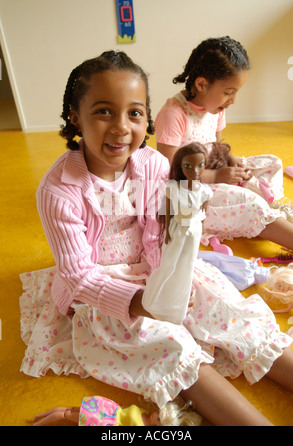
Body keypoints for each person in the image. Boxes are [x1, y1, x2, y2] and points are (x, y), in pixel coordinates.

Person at [19, 50, 293, 427]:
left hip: (156, 270)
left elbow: (157, 229)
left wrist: (179, 240)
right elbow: (79, 275)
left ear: (146, 117)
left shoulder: (152, 164)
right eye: (103, 111)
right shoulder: (58, 190)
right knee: (171, 347)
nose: (120, 127)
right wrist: (139, 302)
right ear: (74, 116)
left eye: (133, 113)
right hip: (104, 292)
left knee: (229, 310)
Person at [155, 36, 293, 250]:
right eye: (229, 93)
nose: (233, 101)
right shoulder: (174, 114)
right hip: (187, 191)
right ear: (201, 84)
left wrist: (230, 161)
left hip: (212, 172)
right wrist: (216, 176)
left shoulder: (216, 108)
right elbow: (170, 173)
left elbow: (216, 146)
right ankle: (265, 213)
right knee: (250, 203)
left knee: (271, 162)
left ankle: (269, 209)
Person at [142, 143, 213, 324]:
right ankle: (157, 296)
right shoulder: (173, 188)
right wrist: (166, 232)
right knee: (169, 263)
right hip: (177, 230)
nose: (195, 171)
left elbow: (204, 212)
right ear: (180, 167)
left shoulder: (205, 191)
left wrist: (202, 228)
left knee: (187, 265)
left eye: (200, 165)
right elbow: (167, 211)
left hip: (194, 232)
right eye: (188, 166)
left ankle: (179, 301)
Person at [32, 395, 202, 426]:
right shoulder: (143, 411)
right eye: (159, 413)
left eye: (158, 418)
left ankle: (40, 420)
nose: (155, 414)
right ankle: (40, 418)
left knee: (66, 414)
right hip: (107, 411)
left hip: (103, 420)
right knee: (67, 411)